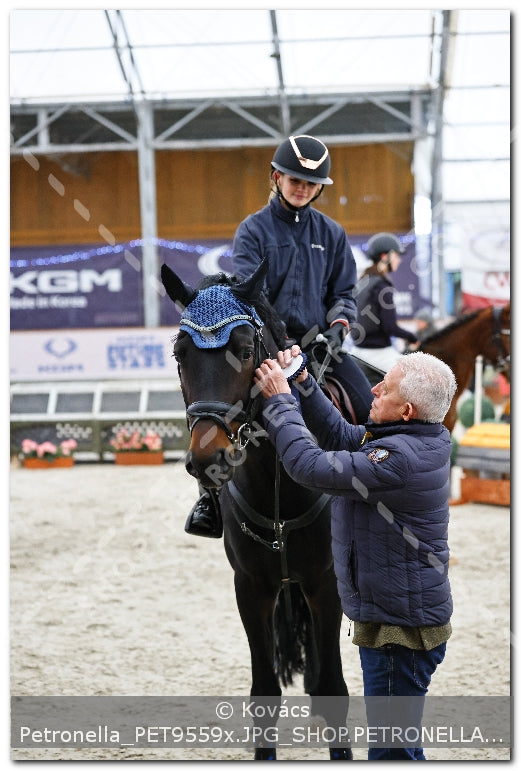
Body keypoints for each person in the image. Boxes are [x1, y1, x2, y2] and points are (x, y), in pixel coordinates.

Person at [253, 347, 457, 761]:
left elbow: (311, 467)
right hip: (398, 623)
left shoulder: (398, 458)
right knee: (399, 745)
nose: (374, 389)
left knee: (391, 753)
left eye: (386, 389)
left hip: (399, 636)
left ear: (406, 410)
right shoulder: (413, 437)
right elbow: (344, 437)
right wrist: (305, 384)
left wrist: (278, 404)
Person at [186, 134, 373, 538]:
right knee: (217, 406)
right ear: (276, 177)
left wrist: (340, 327)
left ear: (319, 188)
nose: (302, 188)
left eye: (310, 183)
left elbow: (343, 292)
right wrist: (282, 342)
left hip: (322, 346)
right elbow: (252, 293)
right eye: (294, 180)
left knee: (367, 406)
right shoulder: (252, 230)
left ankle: (377, 494)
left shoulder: (333, 234)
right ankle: (209, 498)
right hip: (269, 346)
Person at [351, 232, 419, 374]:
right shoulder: (382, 287)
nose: (399, 260)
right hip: (377, 352)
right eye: (396, 255)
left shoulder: (363, 281)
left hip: (357, 350)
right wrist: (412, 337)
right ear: (384, 256)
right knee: (413, 378)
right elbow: (390, 327)